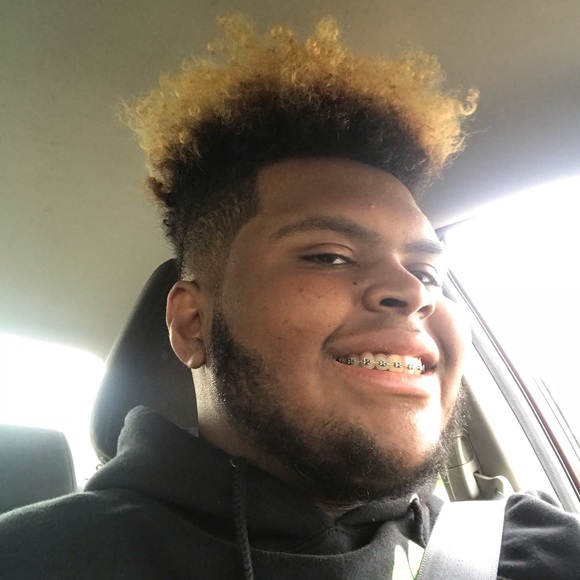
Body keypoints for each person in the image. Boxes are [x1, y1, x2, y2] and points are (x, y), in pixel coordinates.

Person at [0, 15, 578, 580]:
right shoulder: (36, 559)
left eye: (428, 272)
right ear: (192, 323)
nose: (410, 291)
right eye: (328, 256)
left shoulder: (538, 546)